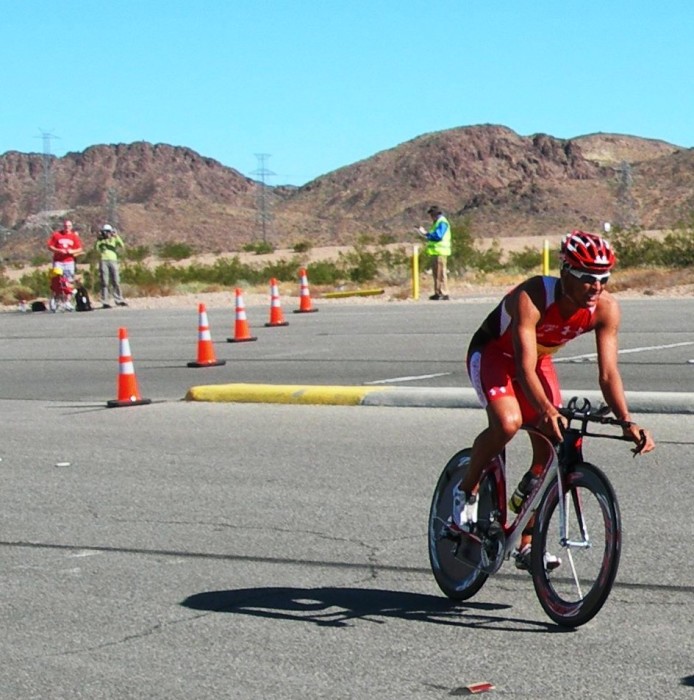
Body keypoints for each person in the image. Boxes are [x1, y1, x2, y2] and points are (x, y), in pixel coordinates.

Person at [449, 230, 655, 570]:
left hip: (538, 360)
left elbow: (607, 375)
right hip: (494, 355)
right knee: (508, 423)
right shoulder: (533, 296)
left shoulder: (605, 309)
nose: (597, 286)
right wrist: (546, 409)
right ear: (566, 272)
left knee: (552, 446)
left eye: (604, 278)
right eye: (587, 277)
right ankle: (466, 490)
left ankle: (526, 541)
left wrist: (627, 421)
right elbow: (521, 365)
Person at [415, 205, 452, 300]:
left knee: (441, 273)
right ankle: (438, 292)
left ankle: (443, 292)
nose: (431, 217)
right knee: (436, 273)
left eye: (431, 214)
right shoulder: (437, 223)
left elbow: (438, 236)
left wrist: (426, 233)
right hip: (436, 252)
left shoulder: (442, 223)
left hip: (440, 251)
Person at [95, 223, 127, 308]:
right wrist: (99, 239)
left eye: (108, 231)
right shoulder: (101, 240)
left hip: (113, 260)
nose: (106, 233)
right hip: (104, 260)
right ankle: (105, 301)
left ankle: (119, 299)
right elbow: (96, 248)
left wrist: (116, 236)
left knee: (116, 280)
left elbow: (121, 245)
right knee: (104, 281)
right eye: (105, 232)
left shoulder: (114, 239)